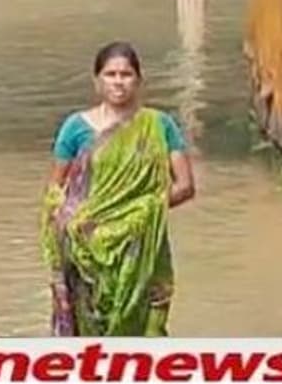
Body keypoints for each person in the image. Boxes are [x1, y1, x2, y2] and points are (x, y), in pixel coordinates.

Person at [40, 41, 196, 336]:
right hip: (86, 252)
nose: (118, 81)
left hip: (142, 248)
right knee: (88, 335)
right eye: (110, 74)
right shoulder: (76, 127)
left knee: (146, 332)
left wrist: (137, 215)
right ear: (96, 81)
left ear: (138, 80)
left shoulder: (159, 126)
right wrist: (76, 226)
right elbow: (54, 190)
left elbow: (185, 186)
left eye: (126, 74)